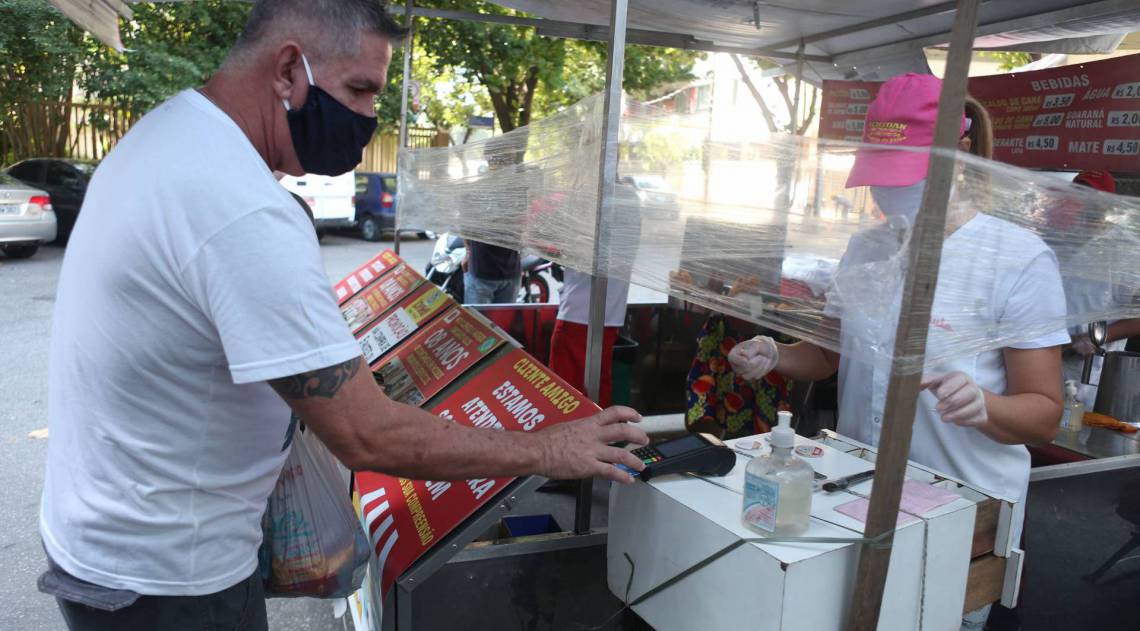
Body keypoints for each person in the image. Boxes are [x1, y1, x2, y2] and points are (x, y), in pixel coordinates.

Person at [38, 2, 647, 629]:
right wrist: (548, 448)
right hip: (169, 580)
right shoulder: (241, 208)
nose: (366, 117)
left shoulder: (168, 134)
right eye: (358, 89)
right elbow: (366, 434)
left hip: (105, 542)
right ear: (286, 70)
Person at [729, 73, 1067, 628]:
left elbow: (1044, 412)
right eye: (883, 177)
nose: (890, 192)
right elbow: (830, 355)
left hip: (960, 508)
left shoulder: (1016, 259)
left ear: (958, 158)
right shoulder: (867, 247)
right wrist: (775, 354)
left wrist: (988, 406)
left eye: (905, 174)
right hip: (855, 493)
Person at [1058, 170, 1140, 408]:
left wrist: (1092, 338)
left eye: (1093, 196)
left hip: (1090, 371)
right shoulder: (1062, 241)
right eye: (1080, 193)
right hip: (1048, 358)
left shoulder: (1126, 250)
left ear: (1108, 202)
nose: (1086, 202)